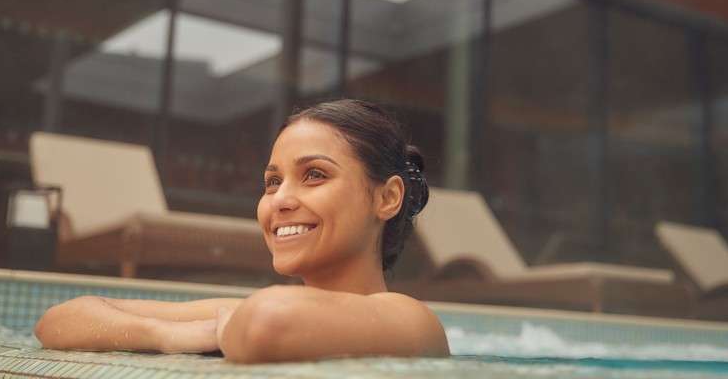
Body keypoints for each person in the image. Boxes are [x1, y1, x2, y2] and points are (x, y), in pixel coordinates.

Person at [34, 99, 450, 363]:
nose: (280, 200)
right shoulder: (239, 313)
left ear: (387, 198)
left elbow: (266, 324)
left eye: (315, 175)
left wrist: (221, 327)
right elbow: (60, 319)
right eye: (272, 182)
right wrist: (167, 335)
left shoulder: (413, 322)